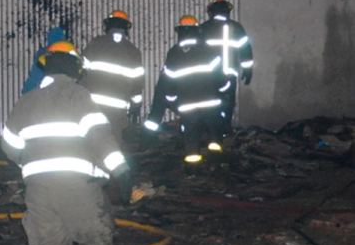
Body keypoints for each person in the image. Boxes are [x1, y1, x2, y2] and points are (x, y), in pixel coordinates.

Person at [1, 41, 133, 245]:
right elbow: (100, 137)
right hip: (75, 184)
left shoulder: (27, 101)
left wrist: (33, 162)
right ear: (76, 68)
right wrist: (122, 172)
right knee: (96, 236)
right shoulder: (78, 95)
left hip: (37, 188)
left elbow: (9, 146)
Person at [144, 15, 228, 163]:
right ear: (197, 31)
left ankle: (193, 166)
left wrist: (174, 101)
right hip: (211, 104)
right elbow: (222, 79)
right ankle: (216, 161)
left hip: (188, 106)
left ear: (179, 32)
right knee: (214, 132)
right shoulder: (209, 50)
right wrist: (222, 93)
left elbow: (169, 83)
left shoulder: (174, 53)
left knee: (191, 137)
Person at [80, 10, 145, 142]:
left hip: (92, 106)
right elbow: (137, 84)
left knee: (90, 142)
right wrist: (136, 106)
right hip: (117, 111)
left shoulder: (95, 44)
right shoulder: (133, 52)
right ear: (126, 28)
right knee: (113, 143)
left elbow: (80, 72)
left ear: (108, 25)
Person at [199, 0, 254, 135]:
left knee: (210, 103)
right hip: (229, 74)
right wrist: (247, 69)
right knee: (227, 103)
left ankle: (211, 131)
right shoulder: (236, 28)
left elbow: (195, 53)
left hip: (208, 76)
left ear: (210, 12)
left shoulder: (203, 29)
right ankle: (224, 130)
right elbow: (245, 50)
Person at [21, 26, 65, 94]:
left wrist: (26, 90)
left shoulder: (43, 53)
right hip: (65, 90)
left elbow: (35, 74)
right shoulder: (69, 54)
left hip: (46, 91)